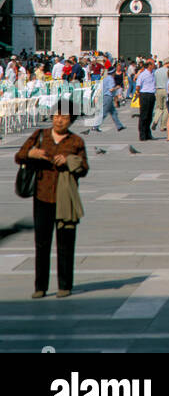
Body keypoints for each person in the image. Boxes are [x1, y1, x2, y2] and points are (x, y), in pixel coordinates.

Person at [15, 103, 88, 298]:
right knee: (42, 243)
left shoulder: (76, 141)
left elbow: (84, 168)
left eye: (64, 117)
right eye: (56, 116)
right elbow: (19, 156)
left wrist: (69, 161)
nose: (59, 120)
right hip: (42, 196)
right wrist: (31, 154)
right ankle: (40, 286)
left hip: (66, 199)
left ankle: (65, 285)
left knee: (65, 243)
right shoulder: (40, 135)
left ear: (71, 120)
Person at [134, 61, 156, 141]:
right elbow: (138, 86)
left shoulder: (153, 73)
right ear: (149, 65)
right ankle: (142, 134)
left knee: (150, 116)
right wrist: (138, 94)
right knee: (144, 115)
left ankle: (148, 134)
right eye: (153, 64)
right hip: (144, 95)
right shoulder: (143, 74)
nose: (154, 65)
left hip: (152, 94)